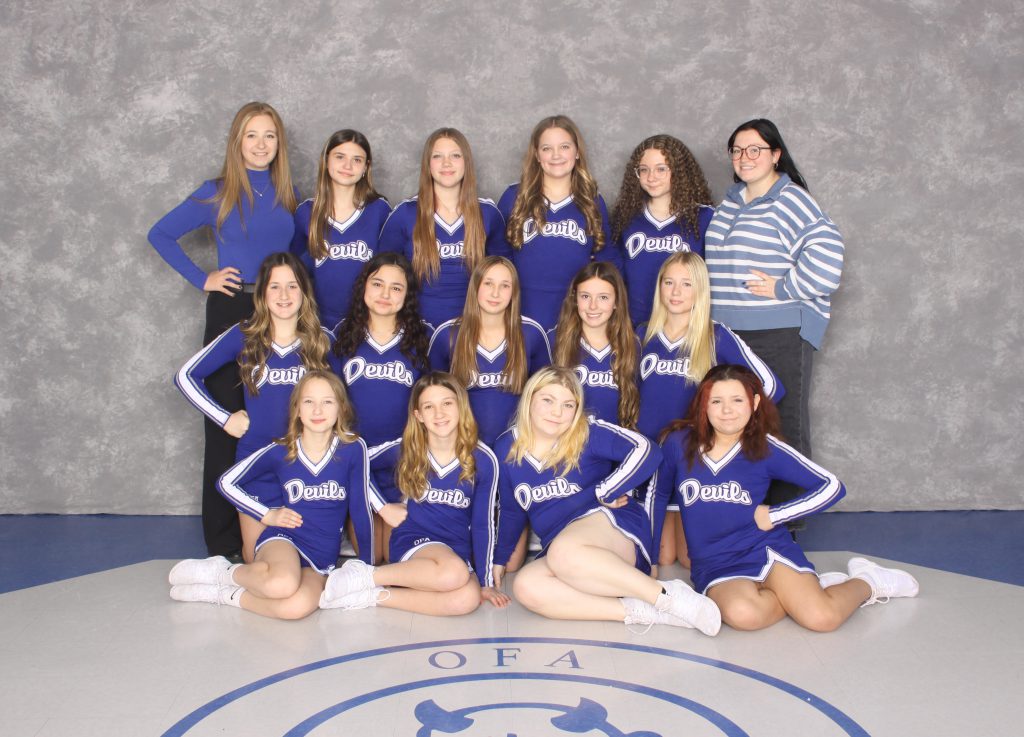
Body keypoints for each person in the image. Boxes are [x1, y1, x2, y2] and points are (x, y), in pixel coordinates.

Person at [653, 364, 918, 632]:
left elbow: (832, 486)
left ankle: (868, 581)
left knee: (822, 619)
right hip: (716, 560)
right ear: (703, 404)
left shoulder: (765, 447)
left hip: (766, 549)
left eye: (737, 400)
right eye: (716, 401)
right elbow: (658, 495)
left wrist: (775, 515)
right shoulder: (679, 443)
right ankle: (807, 591)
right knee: (744, 615)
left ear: (754, 403)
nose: (727, 410)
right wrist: (651, 559)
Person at [148, 101, 298, 558]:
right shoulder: (217, 192)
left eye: (269, 136)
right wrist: (204, 279)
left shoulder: (289, 194)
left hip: (280, 310)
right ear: (237, 142)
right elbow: (160, 234)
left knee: (276, 422)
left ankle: (277, 529)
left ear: (279, 144)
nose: (260, 144)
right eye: (251, 135)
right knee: (226, 424)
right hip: (232, 308)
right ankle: (222, 545)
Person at [491, 367, 721, 635]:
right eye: (548, 401)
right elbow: (511, 510)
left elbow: (646, 450)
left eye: (568, 405)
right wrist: (500, 557)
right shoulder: (507, 446)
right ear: (529, 400)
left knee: (563, 553)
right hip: (566, 548)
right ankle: (640, 611)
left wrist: (608, 490)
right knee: (527, 586)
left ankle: (667, 597)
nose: (557, 412)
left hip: (611, 528)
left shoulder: (586, 432)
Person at [704, 118, 844, 508]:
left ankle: (787, 517)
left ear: (775, 155)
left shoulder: (791, 199)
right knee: (736, 422)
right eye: (737, 151)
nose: (745, 158)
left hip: (779, 330)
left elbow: (829, 256)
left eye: (755, 150)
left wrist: (784, 288)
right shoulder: (731, 201)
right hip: (730, 333)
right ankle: (745, 511)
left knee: (781, 423)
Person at [168, 371, 374, 620]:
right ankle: (221, 573)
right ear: (297, 409)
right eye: (309, 402)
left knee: (295, 608)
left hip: (321, 554)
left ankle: (224, 595)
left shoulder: (353, 448)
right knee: (282, 584)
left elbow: (361, 508)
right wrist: (266, 515)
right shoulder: (282, 450)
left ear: (341, 408)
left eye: (327, 402)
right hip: (284, 538)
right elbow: (226, 482)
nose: (318, 410)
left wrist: (366, 569)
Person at [175, 252, 335, 562]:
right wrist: (224, 419)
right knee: (257, 560)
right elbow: (185, 376)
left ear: (304, 292)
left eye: (292, 286)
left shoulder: (322, 341)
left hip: (307, 467)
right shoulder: (245, 334)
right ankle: (219, 579)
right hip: (256, 463)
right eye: (274, 287)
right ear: (262, 294)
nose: (284, 295)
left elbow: (342, 400)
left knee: (306, 562)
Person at [637, 251, 783, 568]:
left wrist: (729, 435)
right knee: (659, 556)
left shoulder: (715, 336)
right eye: (669, 282)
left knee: (694, 560)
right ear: (659, 287)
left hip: (694, 464)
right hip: (651, 465)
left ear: (700, 290)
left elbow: (770, 386)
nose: (676, 293)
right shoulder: (641, 335)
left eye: (687, 284)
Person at [320, 373, 510, 614]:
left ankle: (372, 595)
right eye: (429, 407)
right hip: (413, 538)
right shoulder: (406, 449)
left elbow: (483, 524)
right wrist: (382, 506)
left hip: (455, 546)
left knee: (467, 599)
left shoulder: (483, 459)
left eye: (447, 403)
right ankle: (366, 575)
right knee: (454, 573)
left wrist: (484, 583)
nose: (439, 413)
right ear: (418, 415)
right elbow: (353, 461)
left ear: (461, 406)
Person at [379, 128, 509, 328]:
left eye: (455, 156)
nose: (446, 163)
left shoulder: (487, 213)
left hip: (473, 329)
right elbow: (382, 276)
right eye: (438, 156)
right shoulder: (404, 214)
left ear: (467, 162)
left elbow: (506, 275)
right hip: (417, 330)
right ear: (427, 164)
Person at [498, 115, 617, 331]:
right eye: (546, 148)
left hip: (576, 313)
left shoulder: (592, 201)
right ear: (536, 154)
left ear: (577, 151)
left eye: (564, 146)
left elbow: (606, 258)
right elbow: (498, 258)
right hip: (523, 311)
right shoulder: (514, 197)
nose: (556, 155)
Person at [428, 256, 552, 446]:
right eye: (488, 284)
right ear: (475, 286)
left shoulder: (531, 333)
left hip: (519, 445)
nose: (496, 293)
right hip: (463, 444)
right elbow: (430, 394)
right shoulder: (448, 334)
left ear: (514, 292)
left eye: (505, 286)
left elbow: (548, 394)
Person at [610, 134, 714, 326]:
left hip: (686, 329)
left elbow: (713, 279)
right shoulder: (624, 219)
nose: (651, 177)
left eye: (661, 169)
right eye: (644, 170)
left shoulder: (705, 218)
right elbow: (614, 276)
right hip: (634, 328)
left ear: (679, 171)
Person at [291, 129, 391, 329]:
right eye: (340, 157)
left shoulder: (379, 210)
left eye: (357, 160)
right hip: (318, 324)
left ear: (366, 167)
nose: (348, 166)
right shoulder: (306, 212)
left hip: (367, 323)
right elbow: (296, 271)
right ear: (326, 160)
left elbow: (392, 271)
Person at [333, 252, 432, 448]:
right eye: (377, 284)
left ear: (407, 294)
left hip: (406, 454)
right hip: (351, 450)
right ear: (364, 286)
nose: (385, 294)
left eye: (396, 288)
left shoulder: (424, 338)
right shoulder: (341, 334)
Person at [551, 262, 638, 428]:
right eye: (585, 296)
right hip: (566, 444)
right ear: (575, 299)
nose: (593, 306)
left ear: (617, 302)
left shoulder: (632, 345)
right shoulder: (554, 340)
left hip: (615, 444)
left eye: (603, 297)